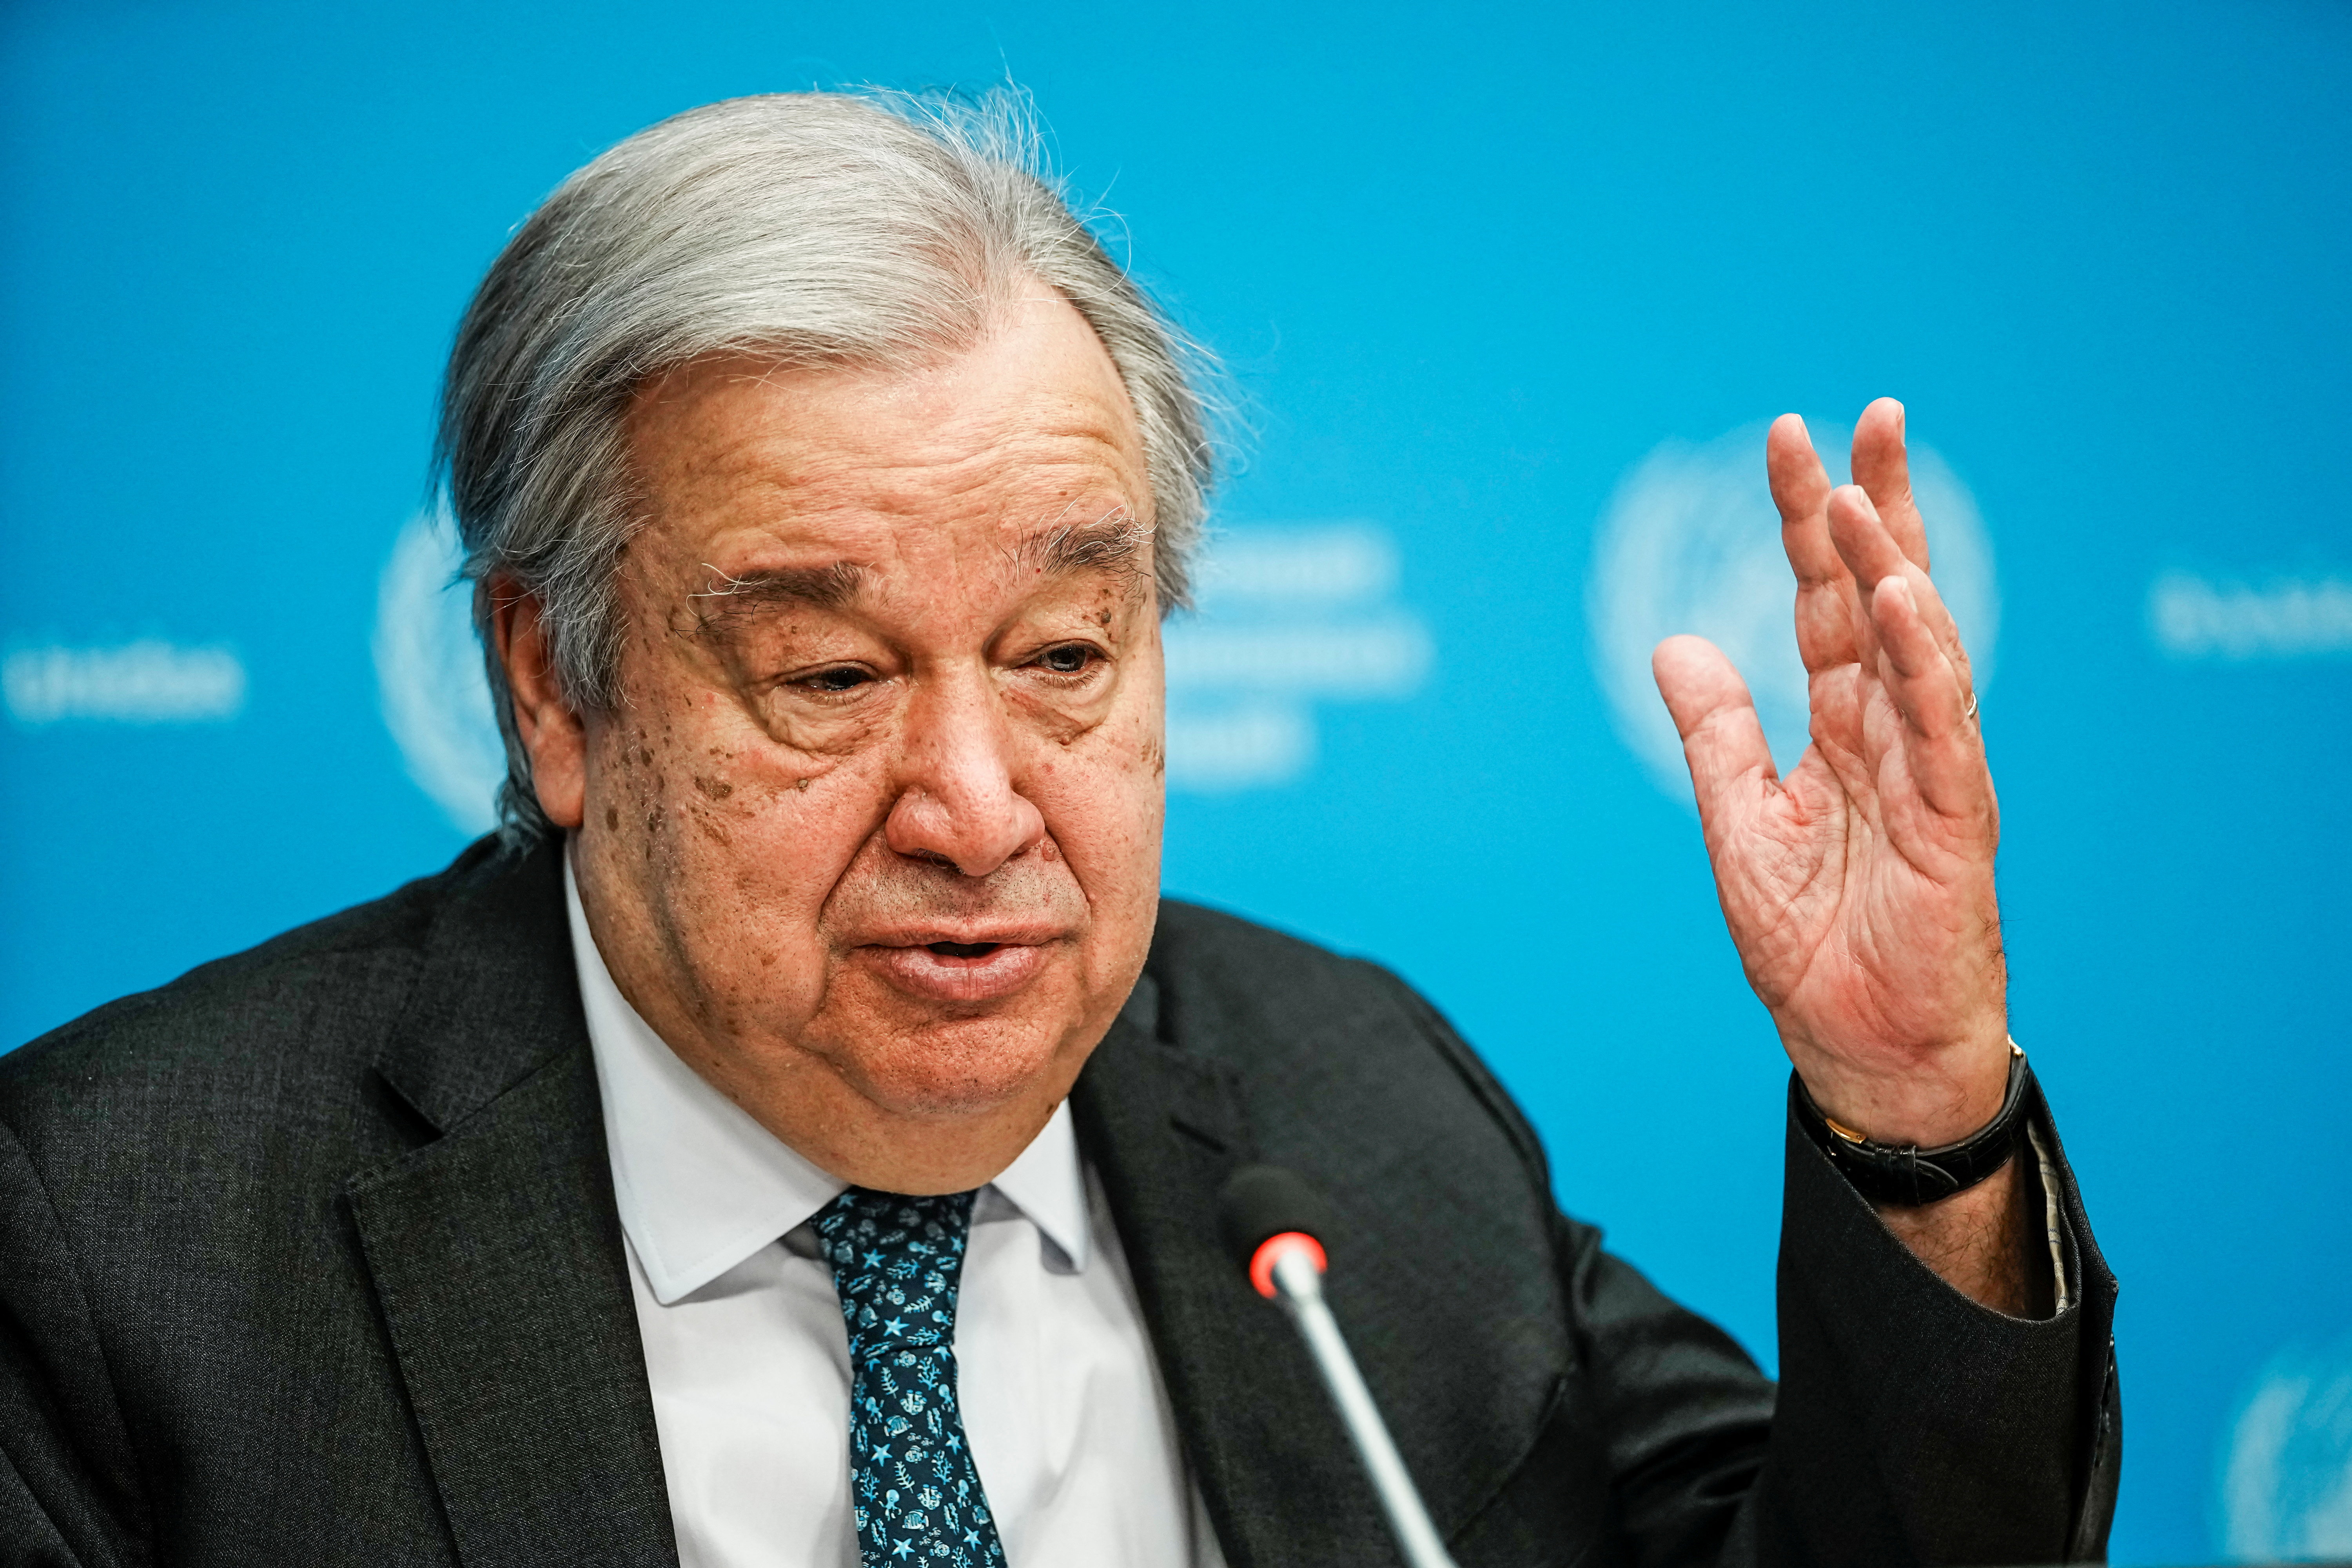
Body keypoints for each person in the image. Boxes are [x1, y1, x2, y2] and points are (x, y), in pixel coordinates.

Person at [0, 90, 2116, 1568]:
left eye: (1062, 655)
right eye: (830, 678)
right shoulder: (117, 1245)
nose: (980, 808)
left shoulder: (1356, 1104)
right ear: (554, 687)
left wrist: (1911, 1109)